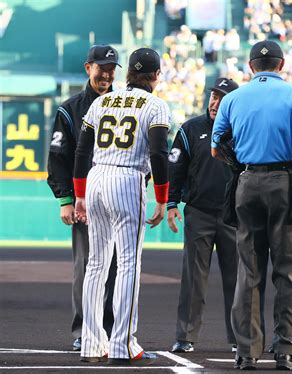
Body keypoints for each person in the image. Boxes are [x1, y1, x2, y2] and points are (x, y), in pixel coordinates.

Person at [211, 40, 292, 371]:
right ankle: (285, 350)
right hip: (284, 181)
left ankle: (246, 352)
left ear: (251, 66)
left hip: (247, 182)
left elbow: (216, 148)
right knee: (288, 271)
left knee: (248, 271)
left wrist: (242, 161)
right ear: (281, 65)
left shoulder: (232, 97)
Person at [73, 47, 170, 365]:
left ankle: (90, 343)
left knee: (96, 265)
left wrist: (79, 193)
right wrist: (162, 195)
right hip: (127, 180)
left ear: (128, 73)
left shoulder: (102, 102)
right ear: (155, 76)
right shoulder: (155, 106)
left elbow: (82, 148)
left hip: (96, 176)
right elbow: (157, 154)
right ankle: (122, 345)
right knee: (128, 263)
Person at [47, 44, 119, 351]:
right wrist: (65, 199)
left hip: (118, 197)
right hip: (84, 199)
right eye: (101, 67)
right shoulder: (70, 108)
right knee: (87, 266)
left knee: (118, 266)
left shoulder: (125, 104)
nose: (106, 73)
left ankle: (112, 331)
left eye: (112, 68)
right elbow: (58, 157)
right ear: (87, 68)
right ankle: (83, 330)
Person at [168, 77, 240, 354]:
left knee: (237, 279)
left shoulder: (242, 129)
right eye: (213, 96)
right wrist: (172, 203)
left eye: (222, 98)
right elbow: (175, 168)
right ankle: (185, 337)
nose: (215, 102)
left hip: (233, 215)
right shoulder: (190, 128)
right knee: (193, 278)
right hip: (198, 213)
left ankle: (238, 339)